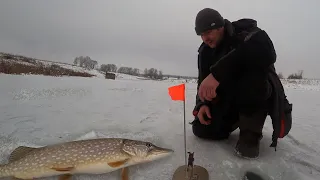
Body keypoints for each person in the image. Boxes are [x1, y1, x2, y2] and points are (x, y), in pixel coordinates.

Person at [190, 8, 293, 159]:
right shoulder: (205, 52)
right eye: (202, 34)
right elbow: (203, 83)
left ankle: (250, 133)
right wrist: (202, 104)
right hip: (230, 100)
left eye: (209, 32)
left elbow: (267, 52)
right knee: (201, 129)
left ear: (221, 27)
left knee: (252, 72)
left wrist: (217, 73)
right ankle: (237, 120)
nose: (205, 38)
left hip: (256, 96)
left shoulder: (245, 34)